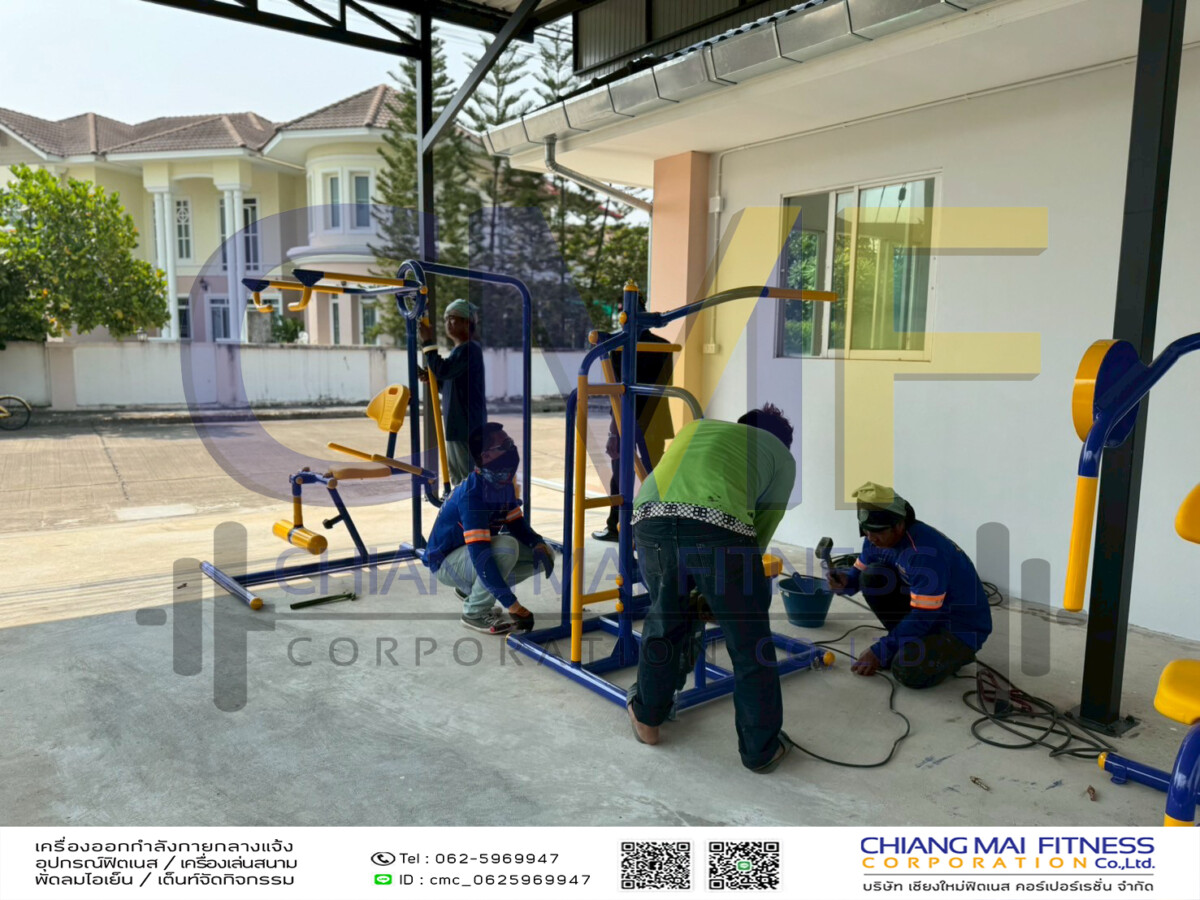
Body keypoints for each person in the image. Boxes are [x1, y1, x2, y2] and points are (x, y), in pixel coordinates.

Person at [626, 404, 796, 773]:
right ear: (783, 441)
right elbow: (761, 528)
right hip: (719, 527)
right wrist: (728, 592)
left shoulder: (698, 429)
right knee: (749, 642)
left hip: (648, 520)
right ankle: (760, 750)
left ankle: (647, 720)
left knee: (664, 621)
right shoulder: (781, 457)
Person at [826, 482, 992, 689]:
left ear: (899, 525)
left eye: (876, 532)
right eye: (865, 531)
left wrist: (880, 650)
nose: (870, 538)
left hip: (960, 628)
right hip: (929, 615)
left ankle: (957, 654)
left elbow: (924, 615)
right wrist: (846, 583)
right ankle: (909, 641)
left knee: (906, 669)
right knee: (872, 577)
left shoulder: (923, 553)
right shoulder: (875, 537)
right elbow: (858, 574)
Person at [423, 424, 555, 635]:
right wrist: (513, 605)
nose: (512, 449)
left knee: (544, 553)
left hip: (467, 557)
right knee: (506, 548)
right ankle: (474, 612)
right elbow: (481, 555)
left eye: (510, 442)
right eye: (505, 445)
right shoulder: (472, 496)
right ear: (485, 457)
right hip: (445, 563)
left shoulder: (501, 484)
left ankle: (474, 590)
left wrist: (537, 543)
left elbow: (517, 524)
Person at [592, 294, 675, 542]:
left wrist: (614, 431)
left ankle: (617, 527)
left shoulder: (620, 346)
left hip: (627, 419)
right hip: (652, 420)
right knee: (652, 476)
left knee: (624, 476)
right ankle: (651, 529)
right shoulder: (663, 346)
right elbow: (662, 388)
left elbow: (616, 391)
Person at [419, 298, 487, 486]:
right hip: (457, 426)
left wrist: (428, 342)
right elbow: (451, 384)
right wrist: (434, 381)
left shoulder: (469, 350)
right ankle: (460, 503)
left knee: (466, 480)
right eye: (446, 319)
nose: (448, 323)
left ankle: (467, 505)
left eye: (452, 318)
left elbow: (443, 370)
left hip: (465, 428)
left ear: (467, 322)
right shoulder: (460, 351)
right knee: (460, 478)